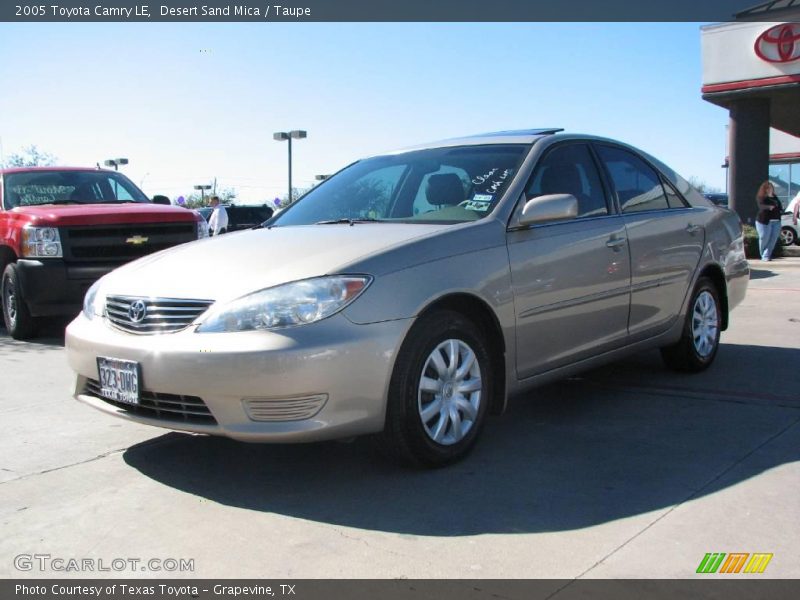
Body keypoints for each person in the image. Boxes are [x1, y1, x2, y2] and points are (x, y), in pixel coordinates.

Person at [755, 181, 782, 261]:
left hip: (776, 221)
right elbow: (761, 206)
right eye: (768, 188)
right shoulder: (761, 197)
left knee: (773, 239)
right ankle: (763, 254)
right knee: (764, 238)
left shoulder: (775, 197)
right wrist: (769, 207)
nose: (770, 189)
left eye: (771, 188)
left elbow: (779, 207)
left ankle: (766, 255)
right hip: (764, 221)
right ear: (765, 189)